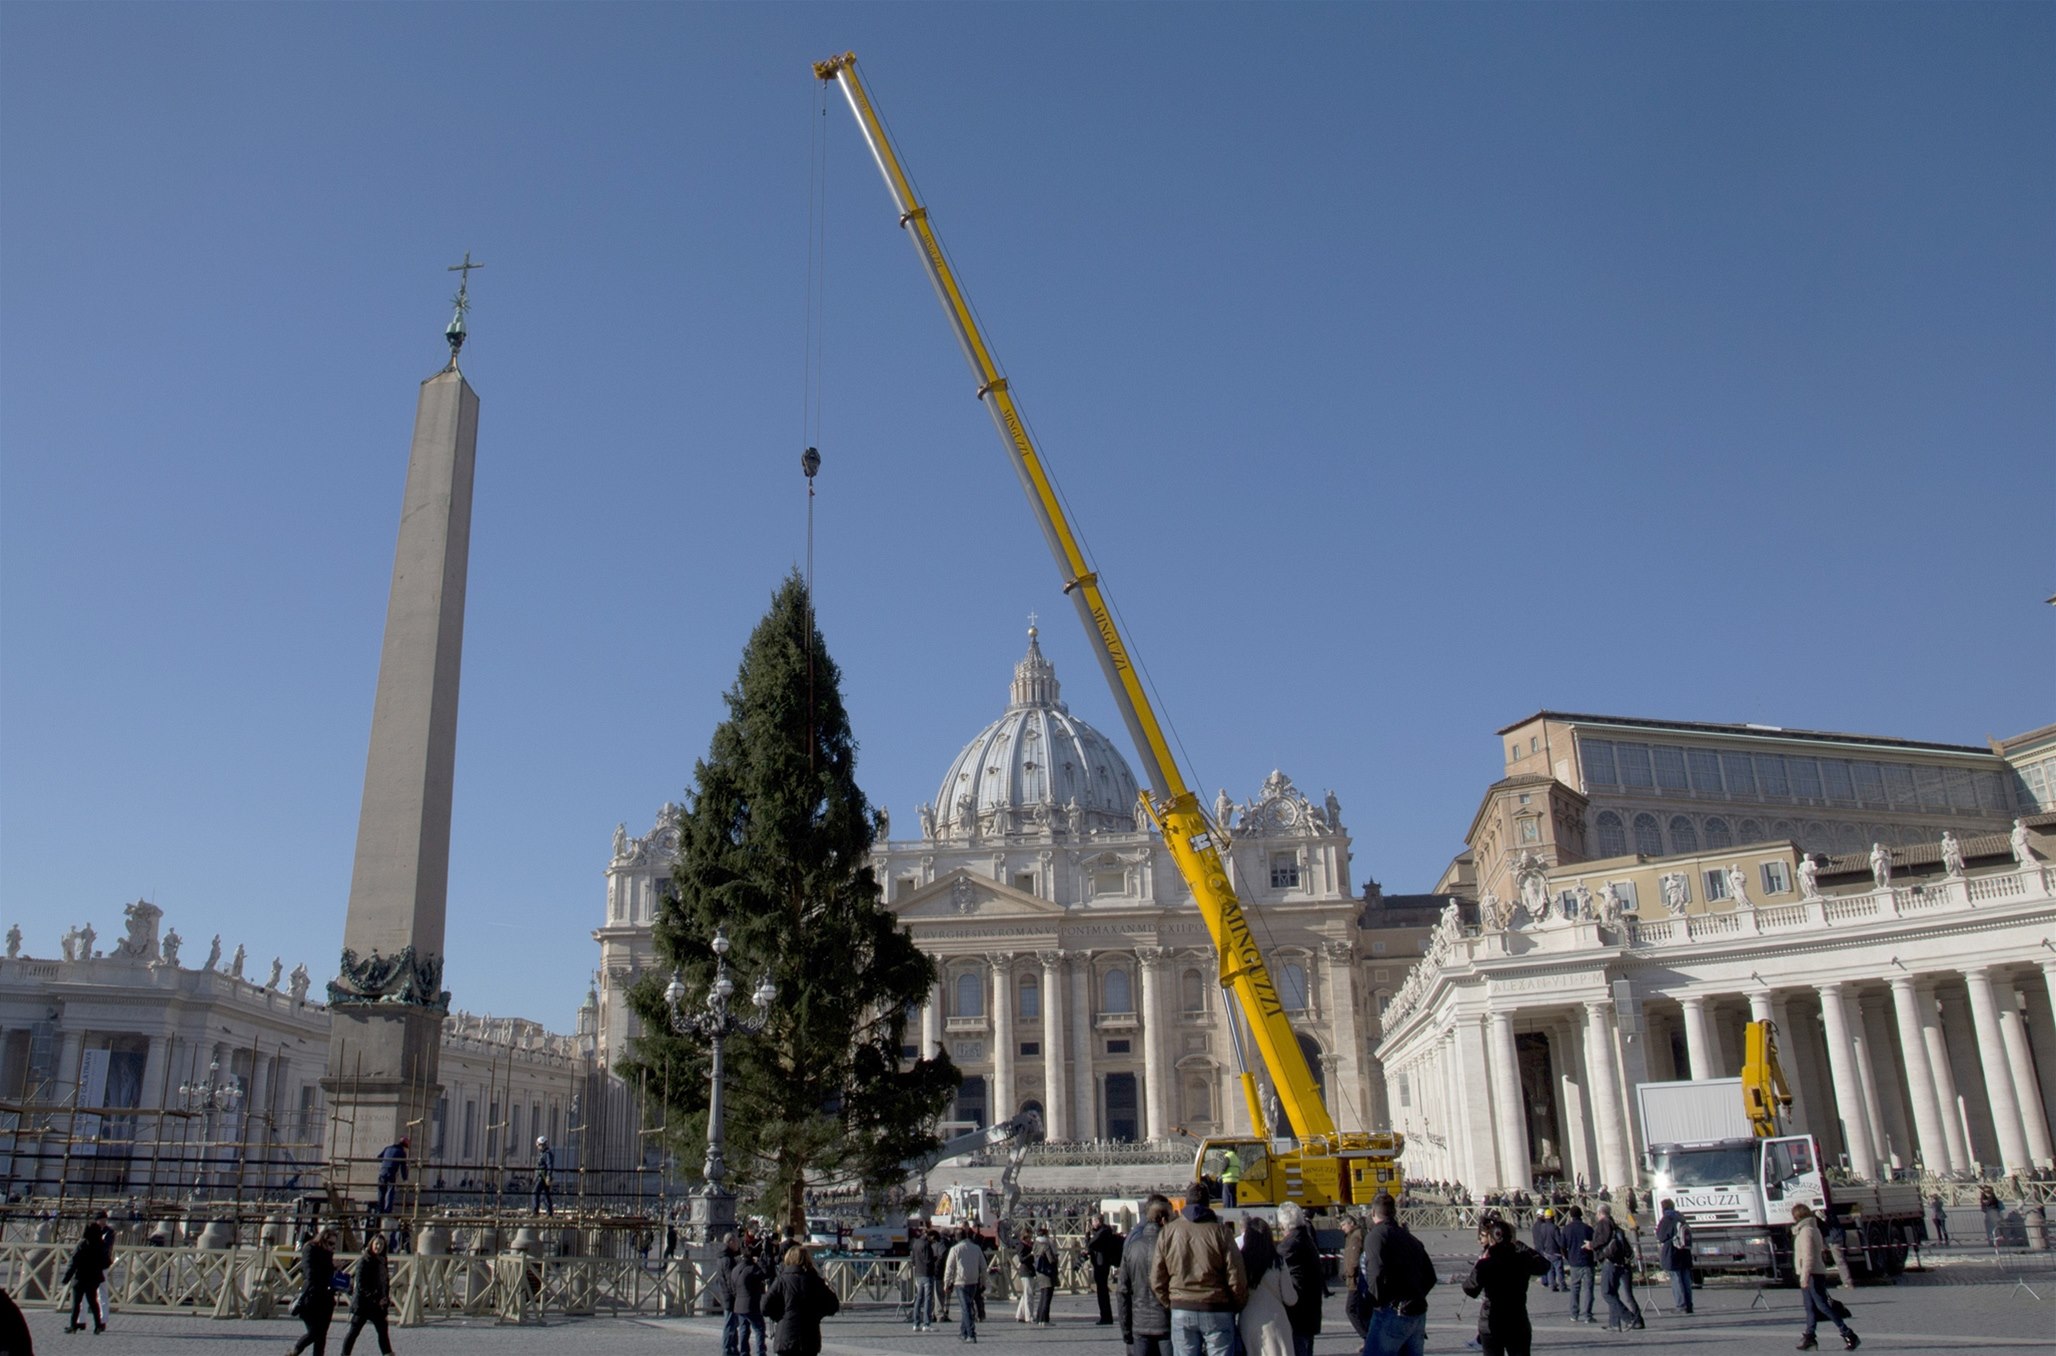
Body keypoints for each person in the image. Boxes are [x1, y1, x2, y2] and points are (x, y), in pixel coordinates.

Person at [1150, 1181, 1248, 1356]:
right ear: (1208, 1204)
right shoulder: (1221, 1232)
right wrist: (1235, 1304)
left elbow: (1157, 1278)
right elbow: (1236, 1275)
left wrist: (1172, 1302)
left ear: (1186, 1202)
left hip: (1181, 1306)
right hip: (1216, 1306)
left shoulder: (1168, 1232)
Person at [1358, 1190, 1435, 1356]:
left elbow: (1376, 1274)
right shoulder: (1410, 1238)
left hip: (1392, 1311)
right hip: (1416, 1312)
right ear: (1394, 1212)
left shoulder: (1376, 1236)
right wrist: (1415, 1296)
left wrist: (1373, 1303)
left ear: (1373, 1212)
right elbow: (1430, 1276)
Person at [1461, 1218, 1550, 1356]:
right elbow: (1545, 1265)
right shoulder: (1522, 1259)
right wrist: (1522, 1246)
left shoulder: (1486, 1263)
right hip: (1517, 1320)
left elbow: (1470, 1289)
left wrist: (1478, 1266)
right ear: (1511, 1238)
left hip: (1491, 1319)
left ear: (1491, 1239)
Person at [1791, 1204, 1859, 1350]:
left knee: (1822, 1306)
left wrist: (1804, 1276)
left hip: (1812, 1274)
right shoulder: (1808, 1228)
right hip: (1810, 1273)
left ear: (1797, 1216)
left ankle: (1848, 1333)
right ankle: (1810, 1336)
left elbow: (1808, 1256)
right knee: (1810, 1307)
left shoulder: (1806, 1231)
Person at [1117, 1194, 1174, 1356]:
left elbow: (1122, 1291)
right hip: (1166, 1322)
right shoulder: (1170, 1246)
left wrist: (1126, 1329)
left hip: (1140, 1323)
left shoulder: (1132, 1245)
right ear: (1163, 1219)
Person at [1237, 1216, 1298, 1356]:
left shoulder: (1241, 1261)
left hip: (1248, 1320)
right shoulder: (1277, 1261)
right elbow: (1290, 1298)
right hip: (1275, 1320)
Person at [764, 1244, 840, 1356]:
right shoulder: (815, 1280)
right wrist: (816, 1315)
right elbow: (833, 1305)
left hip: (786, 1335)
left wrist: (780, 1316)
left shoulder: (782, 1280)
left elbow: (764, 1306)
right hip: (809, 1337)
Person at [1276, 1202, 1323, 1356]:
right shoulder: (1306, 1238)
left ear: (1284, 1224)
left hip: (1298, 1314)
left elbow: (1278, 1271)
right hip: (1310, 1312)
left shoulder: (1289, 1245)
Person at [1591, 1204, 1644, 1332]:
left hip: (1610, 1261)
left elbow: (1603, 1239)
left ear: (1600, 1213)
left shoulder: (1604, 1223)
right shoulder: (1615, 1224)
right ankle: (1615, 1323)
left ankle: (1629, 1318)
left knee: (1607, 1293)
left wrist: (1591, 1245)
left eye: (1597, 1213)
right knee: (1616, 1294)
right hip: (1621, 1262)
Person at [338, 1233, 393, 1355]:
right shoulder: (364, 1260)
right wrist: (376, 1298)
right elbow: (361, 1285)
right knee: (354, 1332)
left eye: (381, 1245)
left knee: (383, 1332)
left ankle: (388, 1353)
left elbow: (385, 1282)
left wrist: (385, 1298)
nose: (378, 1247)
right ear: (371, 1244)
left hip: (378, 1305)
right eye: (377, 1244)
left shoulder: (382, 1261)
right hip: (364, 1304)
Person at [60, 1209, 114, 1333]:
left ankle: (74, 1325)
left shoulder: (82, 1244)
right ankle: (96, 1325)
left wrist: (66, 1277)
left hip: (81, 1276)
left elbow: (73, 1262)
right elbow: (106, 1260)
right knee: (93, 1301)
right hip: (94, 1276)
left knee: (78, 1302)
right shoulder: (100, 1243)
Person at [289, 1226, 340, 1356]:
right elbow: (309, 1273)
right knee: (315, 1332)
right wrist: (328, 1270)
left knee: (321, 1337)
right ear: (322, 1239)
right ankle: (295, 1350)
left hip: (326, 1298)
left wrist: (336, 1270)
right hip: (311, 1296)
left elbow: (329, 1275)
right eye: (330, 1243)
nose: (332, 1246)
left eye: (334, 1244)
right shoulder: (310, 1249)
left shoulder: (328, 1253)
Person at [942, 1227, 986, 1344]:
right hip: (974, 1281)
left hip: (960, 1282)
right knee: (967, 1306)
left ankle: (971, 1334)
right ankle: (963, 1332)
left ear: (956, 1238)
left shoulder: (955, 1249)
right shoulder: (976, 1248)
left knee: (966, 1308)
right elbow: (983, 1266)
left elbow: (949, 1268)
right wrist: (983, 1281)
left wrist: (946, 1283)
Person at [730, 1233, 770, 1356]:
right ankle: (760, 1353)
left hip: (738, 1305)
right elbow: (765, 1273)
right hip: (751, 1304)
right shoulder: (752, 1269)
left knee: (743, 1329)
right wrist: (760, 1261)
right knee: (759, 1329)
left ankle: (744, 1352)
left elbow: (732, 1287)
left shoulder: (735, 1269)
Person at [1655, 1198, 1694, 1315]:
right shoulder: (1681, 1218)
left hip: (1672, 1252)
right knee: (1685, 1279)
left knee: (1676, 1279)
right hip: (1684, 1251)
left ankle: (1681, 1305)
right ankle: (1689, 1305)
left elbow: (1661, 1236)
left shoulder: (1667, 1219)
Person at [1560, 1204, 1595, 1323]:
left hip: (1574, 1262)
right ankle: (1588, 1315)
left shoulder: (1566, 1229)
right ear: (1581, 1215)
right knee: (1588, 1289)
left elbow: (1562, 1246)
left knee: (1575, 1289)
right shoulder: (1587, 1228)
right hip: (1587, 1261)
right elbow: (1594, 1243)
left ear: (1570, 1216)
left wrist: (1568, 1257)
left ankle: (1574, 1314)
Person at [1337, 1212, 1370, 1339]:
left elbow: (1354, 1259)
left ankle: (1366, 1336)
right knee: (1362, 1310)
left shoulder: (1356, 1236)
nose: (1342, 1228)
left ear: (1351, 1224)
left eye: (1343, 1225)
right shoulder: (1351, 1236)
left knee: (1351, 1309)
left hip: (1355, 1280)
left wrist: (1348, 1273)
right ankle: (1369, 1336)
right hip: (1355, 1279)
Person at [1088, 1214, 1125, 1326]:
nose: (1092, 1224)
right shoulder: (1105, 1231)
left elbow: (1090, 1244)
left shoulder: (1103, 1232)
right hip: (1103, 1263)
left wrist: (1087, 1234)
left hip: (1101, 1264)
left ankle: (1106, 1317)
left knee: (1102, 1291)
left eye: (1093, 1222)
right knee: (1102, 1291)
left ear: (1098, 1221)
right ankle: (1105, 1316)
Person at [715, 1232, 743, 1356]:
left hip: (726, 1294)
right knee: (729, 1324)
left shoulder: (725, 1256)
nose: (738, 1244)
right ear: (730, 1242)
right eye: (736, 1242)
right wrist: (736, 1293)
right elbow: (730, 1279)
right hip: (729, 1295)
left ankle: (732, 1348)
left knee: (732, 1323)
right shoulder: (727, 1259)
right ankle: (727, 1350)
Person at [907, 1224, 938, 1331]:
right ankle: (926, 1324)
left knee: (919, 1299)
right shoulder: (926, 1245)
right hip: (927, 1274)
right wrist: (935, 1259)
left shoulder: (916, 1243)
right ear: (930, 1236)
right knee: (928, 1299)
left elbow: (912, 1259)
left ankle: (916, 1323)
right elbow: (928, 1260)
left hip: (918, 1273)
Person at [1030, 1225, 1059, 1325]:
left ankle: (1039, 1318)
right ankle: (1044, 1319)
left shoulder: (1035, 1244)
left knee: (1042, 1296)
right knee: (1047, 1297)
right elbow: (1051, 1260)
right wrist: (1056, 1258)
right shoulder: (1046, 1245)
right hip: (1047, 1273)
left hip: (1039, 1272)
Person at [1531, 1208, 1564, 1293]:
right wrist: (1563, 1247)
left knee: (1550, 1269)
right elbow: (1559, 1241)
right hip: (1555, 1251)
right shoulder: (1554, 1227)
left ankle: (1551, 1285)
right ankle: (1562, 1285)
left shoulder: (1541, 1227)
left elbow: (1540, 1239)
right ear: (1552, 1217)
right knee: (1559, 1269)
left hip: (1545, 1251)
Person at [374, 1137, 408, 1215]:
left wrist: (387, 1161)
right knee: (390, 1191)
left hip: (382, 1172)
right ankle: (387, 1211)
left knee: (381, 1192)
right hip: (391, 1172)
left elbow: (379, 1157)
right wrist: (405, 1179)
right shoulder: (401, 1152)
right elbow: (403, 1167)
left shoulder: (388, 1148)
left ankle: (380, 1210)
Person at [532, 1136, 554, 1216]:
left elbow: (549, 1165)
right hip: (542, 1176)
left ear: (541, 1144)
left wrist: (548, 1176)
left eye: (538, 1145)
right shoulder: (543, 1153)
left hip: (542, 1176)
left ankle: (535, 1212)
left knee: (535, 1193)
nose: (538, 1147)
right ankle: (549, 1213)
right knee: (546, 1194)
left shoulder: (547, 1154)